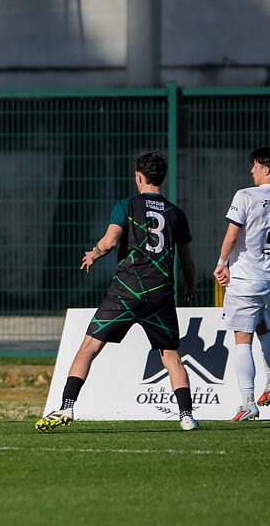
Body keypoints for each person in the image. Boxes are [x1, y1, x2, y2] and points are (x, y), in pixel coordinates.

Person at [36, 152, 200, 432]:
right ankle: (187, 417)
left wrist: (94, 253)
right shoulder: (176, 213)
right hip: (160, 293)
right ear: (161, 177)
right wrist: (191, 284)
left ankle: (66, 407)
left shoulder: (127, 205)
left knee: (89, 348)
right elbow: (186, 260)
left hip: (126, 290)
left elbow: (110, 241)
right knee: (171, 356)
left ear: (139, 176)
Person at [212, 146, 270, 422]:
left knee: (242, 339)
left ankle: (247, 402)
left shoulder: (245, 196)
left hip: (245, 278)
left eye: (255, 166)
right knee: (264, 327)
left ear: (266, 169)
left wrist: (221, 263)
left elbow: (231, 237)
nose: (251, 170)